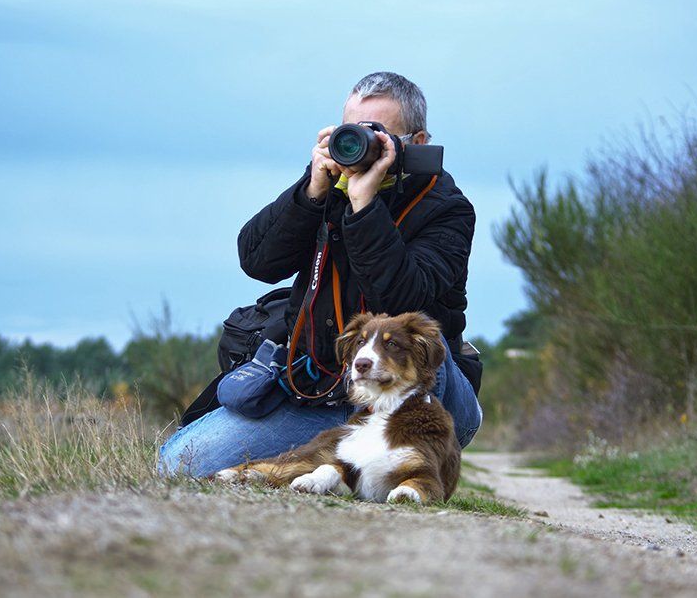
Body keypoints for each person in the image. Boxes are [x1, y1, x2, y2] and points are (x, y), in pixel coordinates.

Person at [159, 72, 482, 478]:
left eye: (378, 135)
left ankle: (375, 458)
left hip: (418, 396)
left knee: (421, 345)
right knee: (180, 464)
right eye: (352, 132)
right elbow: (257, 262)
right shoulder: (328, 187)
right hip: (324, 389)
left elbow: (401, 299)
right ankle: (345, 455)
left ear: (416, 143)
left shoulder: (448, 209)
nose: (362, 146)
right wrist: (310, 193)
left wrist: (365, 208)